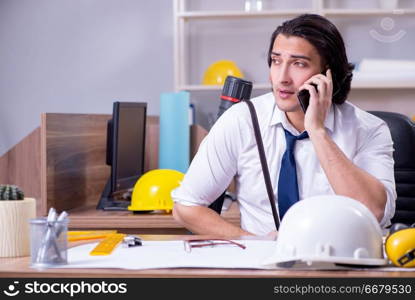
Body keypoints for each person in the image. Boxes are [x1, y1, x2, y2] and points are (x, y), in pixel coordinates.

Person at [172, 14, 396, 237]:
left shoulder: (369, 129)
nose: (282, 78)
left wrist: (318, 132)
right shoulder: (242, 120)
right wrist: (254, 243)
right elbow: (185, 207)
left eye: (299, 63)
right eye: (276, 61)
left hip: (344, 261)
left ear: (329, 74)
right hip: (263, 265)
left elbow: (373, 212)